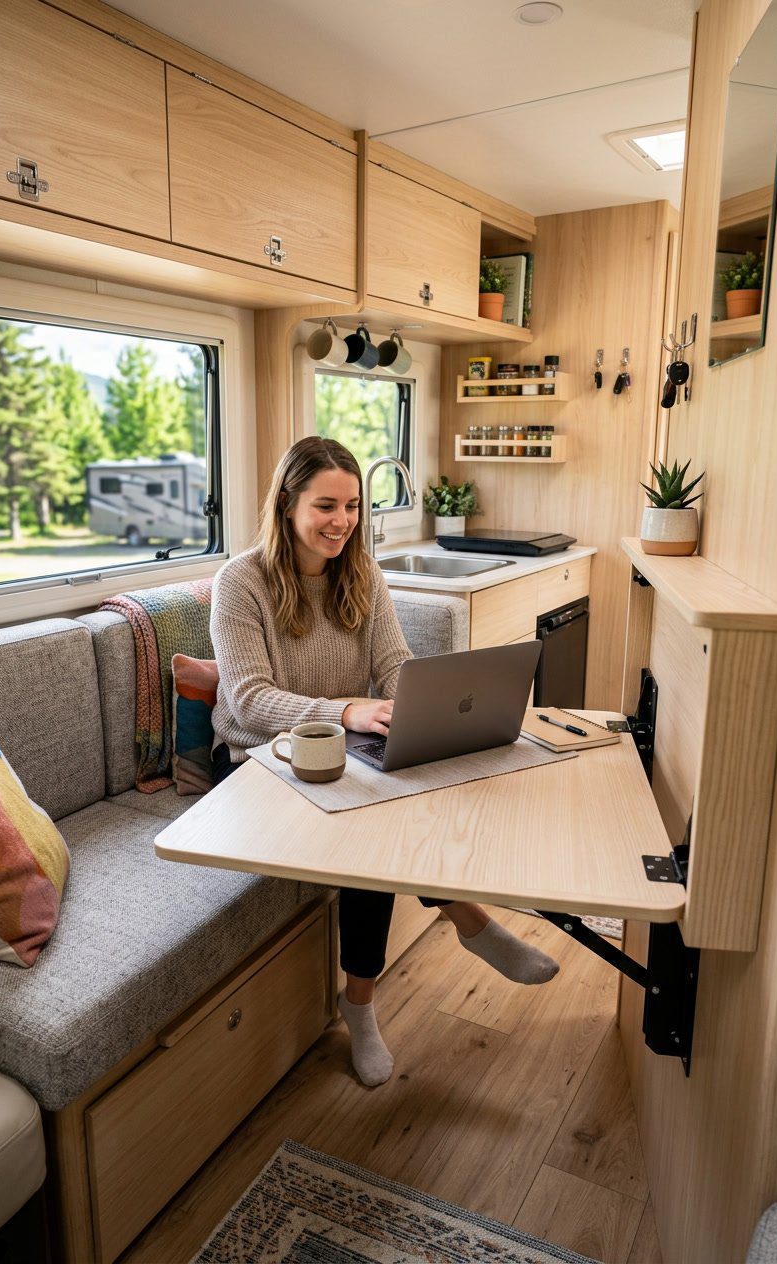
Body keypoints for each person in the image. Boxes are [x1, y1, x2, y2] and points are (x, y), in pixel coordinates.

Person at [210, 436, 559, 1086]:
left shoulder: (361, 573)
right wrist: (347, 711)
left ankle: (373, 990)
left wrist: (428, 710)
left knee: (409, 789)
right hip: (257, 759)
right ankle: (459, 930)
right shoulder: (241, 582)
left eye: (351, 505)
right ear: (287, 503)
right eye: (325, 505)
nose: (341, 521)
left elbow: (394, 666)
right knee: (368, 825)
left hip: (337, 748)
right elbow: (250, 701)